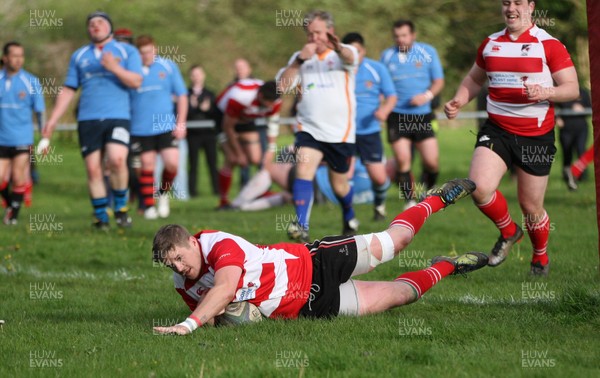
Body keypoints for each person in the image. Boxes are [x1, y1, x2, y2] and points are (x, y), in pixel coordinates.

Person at [151, 178, 487, 335]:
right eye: (171, 265)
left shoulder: (217, 243)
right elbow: (214, 312)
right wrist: (218, 319)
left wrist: (187, 326)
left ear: (191, 243)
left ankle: (435, 200)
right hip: (310, 306)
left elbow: (223, 289)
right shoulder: (182, 281)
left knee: (396, 242)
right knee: (400, 296)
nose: (179, 267)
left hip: (315, 261)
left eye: (179, 258)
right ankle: (448, 265)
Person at [444, 0, 579, 276]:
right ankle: (508, 231)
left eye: (518, 2)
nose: (511, 8)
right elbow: (474, 78)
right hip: (497, 130)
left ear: (531, 6)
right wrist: (458, 99)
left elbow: (572, 88)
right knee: (478, 187)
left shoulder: (549, 44)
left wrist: (546, 92)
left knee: (531, 206)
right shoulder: (490, 43)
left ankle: (540, 256)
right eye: (506, 2)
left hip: (535, 136)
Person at [41, 11, 143, 229]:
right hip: (88, 119)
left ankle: (121, 210)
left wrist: (114, 68)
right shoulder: (79, 55)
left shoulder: (127, 51)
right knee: (93, 169)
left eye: (100, 22)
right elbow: (69, 89)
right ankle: (100, 217)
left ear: (110, 27)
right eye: (91, 24)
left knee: (116, 160)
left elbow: (136, 81)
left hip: (118, 116)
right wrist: (53, 120)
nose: (95, 26)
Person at [277, 10, 359, 243]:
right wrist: (299, 61)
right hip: (309, 129)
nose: (314, 38)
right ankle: (301, 226)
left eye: (318, 33)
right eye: (310, 33)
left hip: (340, 133)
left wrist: (338, 47)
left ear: (330, 32)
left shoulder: (344, 52)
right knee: (303, 170)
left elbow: (350, 58)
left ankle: (349, 215)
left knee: (339, 185)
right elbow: (281, 88)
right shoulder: (300, 57)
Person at [380, 19, 444, 210]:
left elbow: (439, 81)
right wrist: (382, 104)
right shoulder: (387, 56)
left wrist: (426, 96)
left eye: (404, 35)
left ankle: (426, 193)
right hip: (397, 115)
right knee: (402, 160)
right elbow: (380, 84)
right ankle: (409, 201)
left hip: (422, 115)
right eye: (397, 36)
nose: (401, 39)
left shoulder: (428, 52)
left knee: (432, 162)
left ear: (413, 35)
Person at [130, 35, 187, 220]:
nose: (146, 55)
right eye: (142, 52)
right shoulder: (132, 69)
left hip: (165, 126)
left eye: (149, 51)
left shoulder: (168, 66)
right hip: (140, 128)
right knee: (147, 165)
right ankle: (148, 207)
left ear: (155, 50)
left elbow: (182, 96)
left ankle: (163, 193)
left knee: (172, 163)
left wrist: (181, 123)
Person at [342, 32, 397, 221]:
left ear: (363, 50)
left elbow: (391, 96)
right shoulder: (338, 71)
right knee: (344, 176)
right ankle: (348, 217)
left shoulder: (376, 68)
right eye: (350, 51)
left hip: (369, 132)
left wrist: (384, 110)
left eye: (357, 51)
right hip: (344, 133)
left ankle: (379, 206)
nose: (354, 55)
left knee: (379, 178)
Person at [215, 79, 281, 209]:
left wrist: (271, 149)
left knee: (256, 158)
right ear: (261, 96)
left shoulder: (275, 100)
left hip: (246, 118)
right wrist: (239, 153)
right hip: (223, 118)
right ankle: (223, 200)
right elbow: (228, 127)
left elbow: (273, 124)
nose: (270, 106)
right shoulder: (240, 97)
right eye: (268, 103)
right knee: (233, 159)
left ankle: (261, 191)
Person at [0, 42, 45, 225]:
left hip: (21, 138)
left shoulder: (31, 81)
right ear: (5, 58)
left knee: (18, 176)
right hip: (1, 139)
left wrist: (45, 137)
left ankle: (13, 217)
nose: (18, 60)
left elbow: (40, 111)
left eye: (21, 56)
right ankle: (12, 204)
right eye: (14, 55)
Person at [186, 65, 220, 197]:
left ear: (203, 75)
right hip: (193, 134)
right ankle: (192, 191)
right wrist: (192, 108)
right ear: (190, 77)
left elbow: (216, 114)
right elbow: (183, 114)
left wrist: (207, 109)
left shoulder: (210, 94)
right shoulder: (186, 94)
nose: (196, 77)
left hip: (208, 134)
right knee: (193, 164)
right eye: (194, 74)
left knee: (212, 163)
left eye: (199, 74)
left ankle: (217, 190)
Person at [555, 88, 591, 190]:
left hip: (581, 128)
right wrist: (557, 118)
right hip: (566, 129)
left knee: (581, 150)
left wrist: (582, 108)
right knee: (567, 153)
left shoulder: (583, 92)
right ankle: (567, 176)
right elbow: (554, 108)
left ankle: (581, 176)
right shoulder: (562, 91)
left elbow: (590, 107)